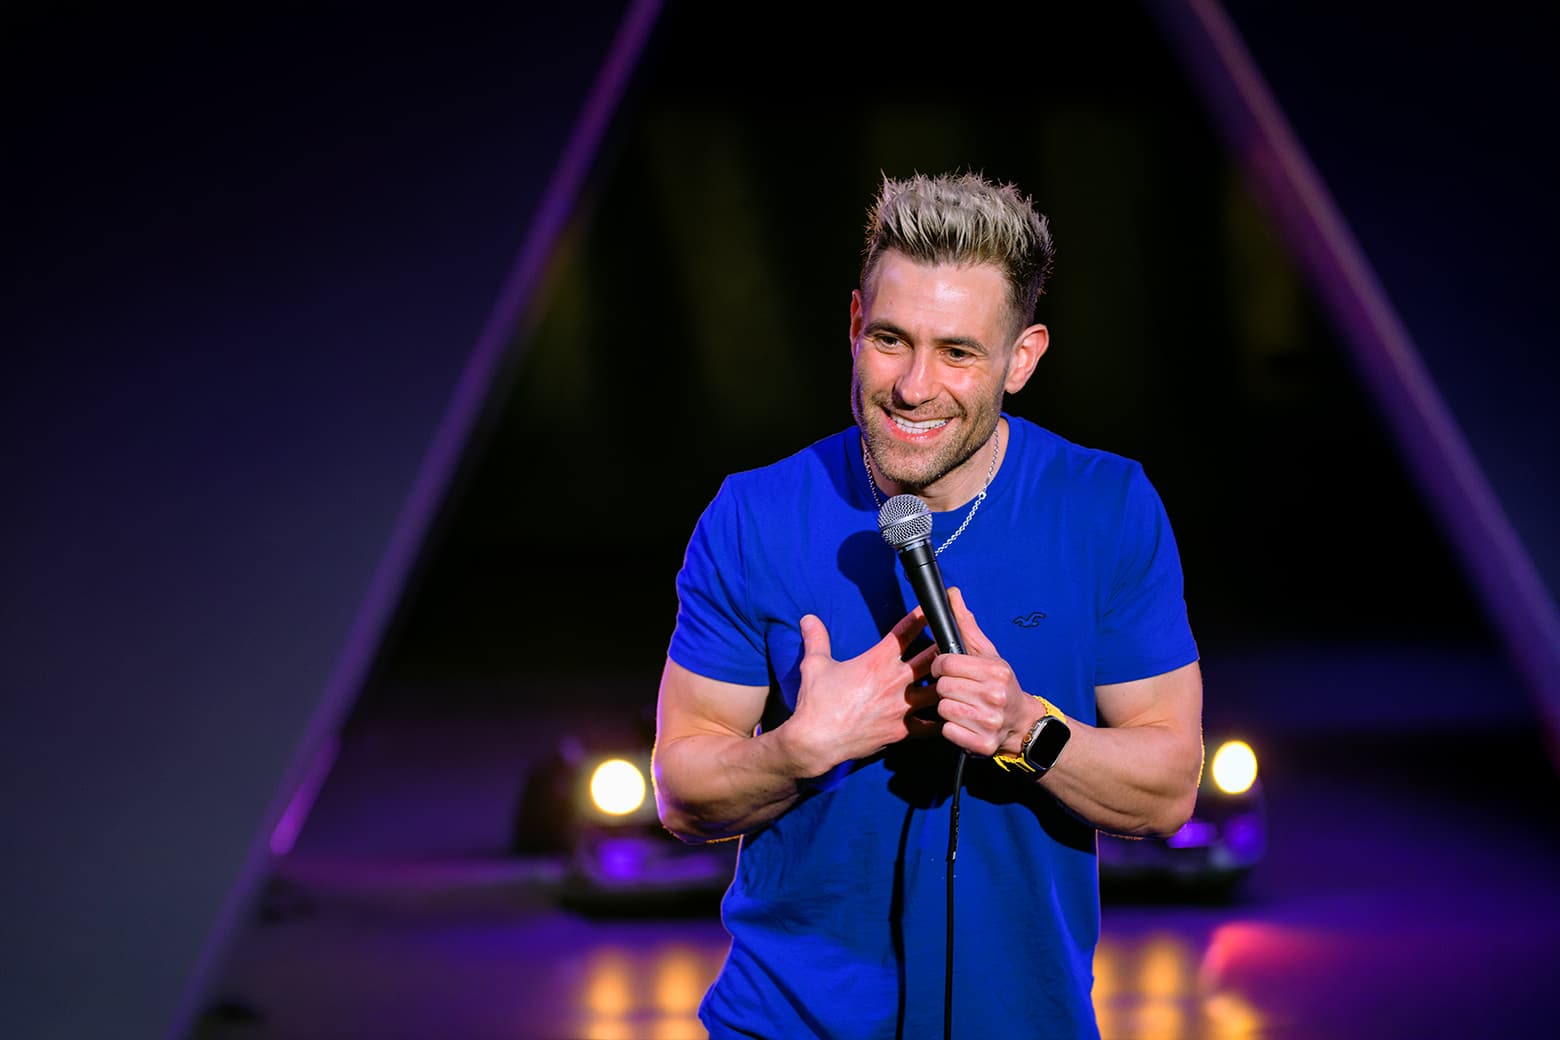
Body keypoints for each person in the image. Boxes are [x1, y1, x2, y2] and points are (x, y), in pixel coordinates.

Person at [653, 170, 1203, 1039]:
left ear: (1022, 359)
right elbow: (682, 790)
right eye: (890, 340)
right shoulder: (754, 516)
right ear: (853, 325)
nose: (914, 387)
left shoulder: (1106, 507)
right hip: (788, 1021)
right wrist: (800, 749)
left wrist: (1026, 729)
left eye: (958, 353)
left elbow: (1168, 788)